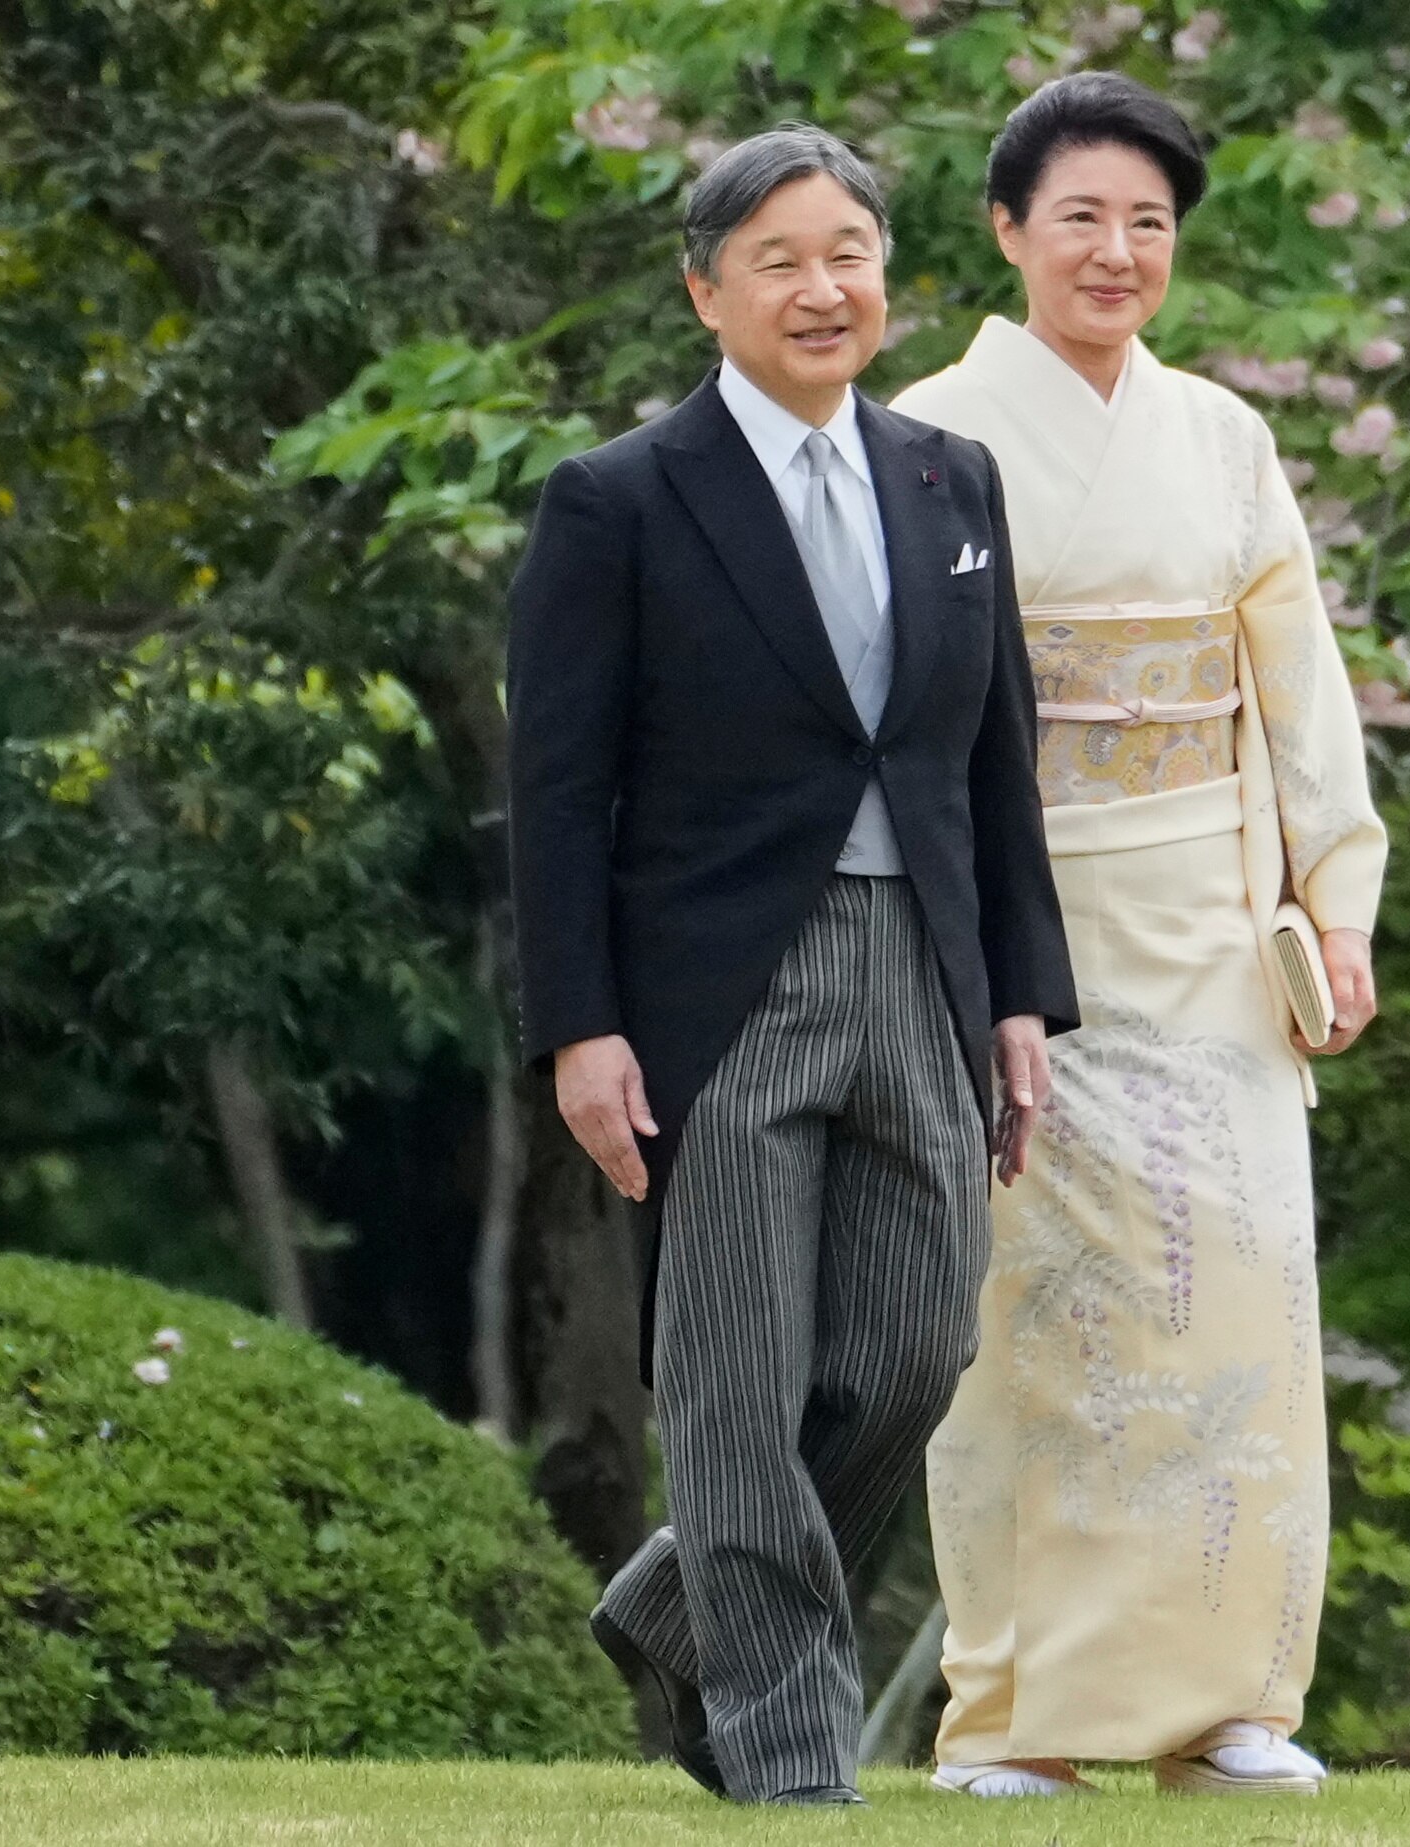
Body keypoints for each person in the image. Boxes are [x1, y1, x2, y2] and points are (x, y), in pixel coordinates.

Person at [504, 124, 1078, 1807]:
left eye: (850, 254)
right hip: (716, 990)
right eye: (779, 260)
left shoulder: (946, 479)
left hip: (926, 970)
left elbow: (992, 757)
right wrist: (579, 1029)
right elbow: (553, 791)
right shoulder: (615, 498)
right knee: (739, 1382)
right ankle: (787, 1760)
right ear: (705, 292)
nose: (822, 288)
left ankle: (675, 1603)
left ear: (888, 277)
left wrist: (1022, 997)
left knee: (912, 1351)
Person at [892, 71, 1388, 1799]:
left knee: (1237, 1301)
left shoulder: (1224, 437)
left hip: (1208, 922)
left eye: (1149, 224)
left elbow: (1296, 688)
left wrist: (1335, 902)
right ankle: (1013, 1712)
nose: (1117, 253)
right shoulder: (928, 433)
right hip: (1018, 923)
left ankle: (1226, 1704)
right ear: (1006, 232)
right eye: (1081, 218)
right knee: (1032, 1314)